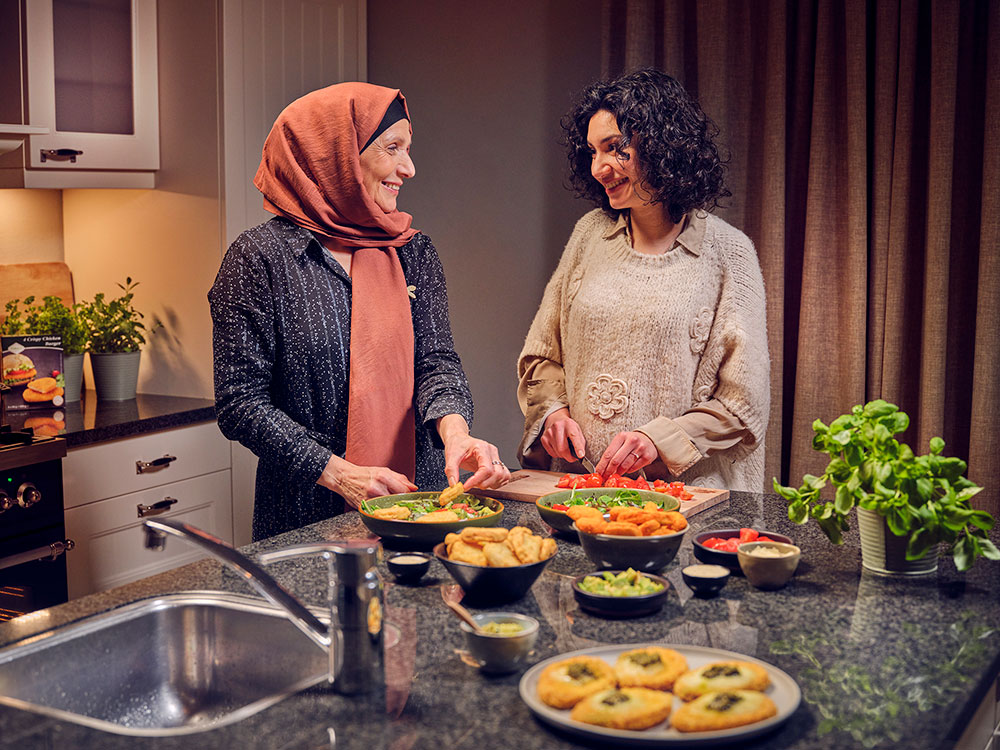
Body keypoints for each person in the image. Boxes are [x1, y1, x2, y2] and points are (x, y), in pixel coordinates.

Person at [210, 82, 509, 541]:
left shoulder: (415, 252)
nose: (408, 168)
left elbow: (436, 364)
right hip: (307, 515)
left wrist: (456, 433)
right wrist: (338, 474)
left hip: (420, 508)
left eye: (409, 150)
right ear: (334, 155)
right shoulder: (259, 259)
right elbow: (240, 404)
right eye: (393, 148)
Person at [517, 69, 769, 492]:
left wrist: (661, 440)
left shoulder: (730, 254)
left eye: (615, 149)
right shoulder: (588, 235)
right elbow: (542, 355)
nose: (599, 167)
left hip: (684, 501)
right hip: (580, 492)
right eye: (593, 152)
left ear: (663, 145)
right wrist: (552, 414)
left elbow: (743, 403)